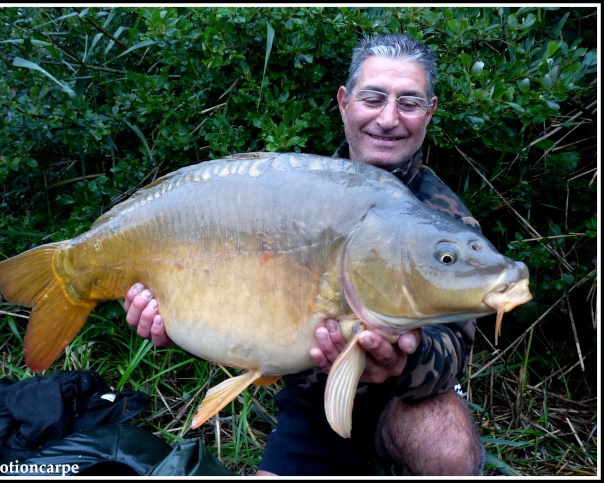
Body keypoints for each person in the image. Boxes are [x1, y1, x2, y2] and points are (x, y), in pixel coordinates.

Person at [124, 33, 485, 476]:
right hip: (313, 414)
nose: (389, 119)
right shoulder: (290, 196)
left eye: (409, 103)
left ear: (429, 112)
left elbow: (454, 351)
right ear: (345, 102)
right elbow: (236, 311)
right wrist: (172, 321)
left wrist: (400, 362)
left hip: (406, 406)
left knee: (448, 444)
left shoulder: (446, 223)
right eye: (373, 98)